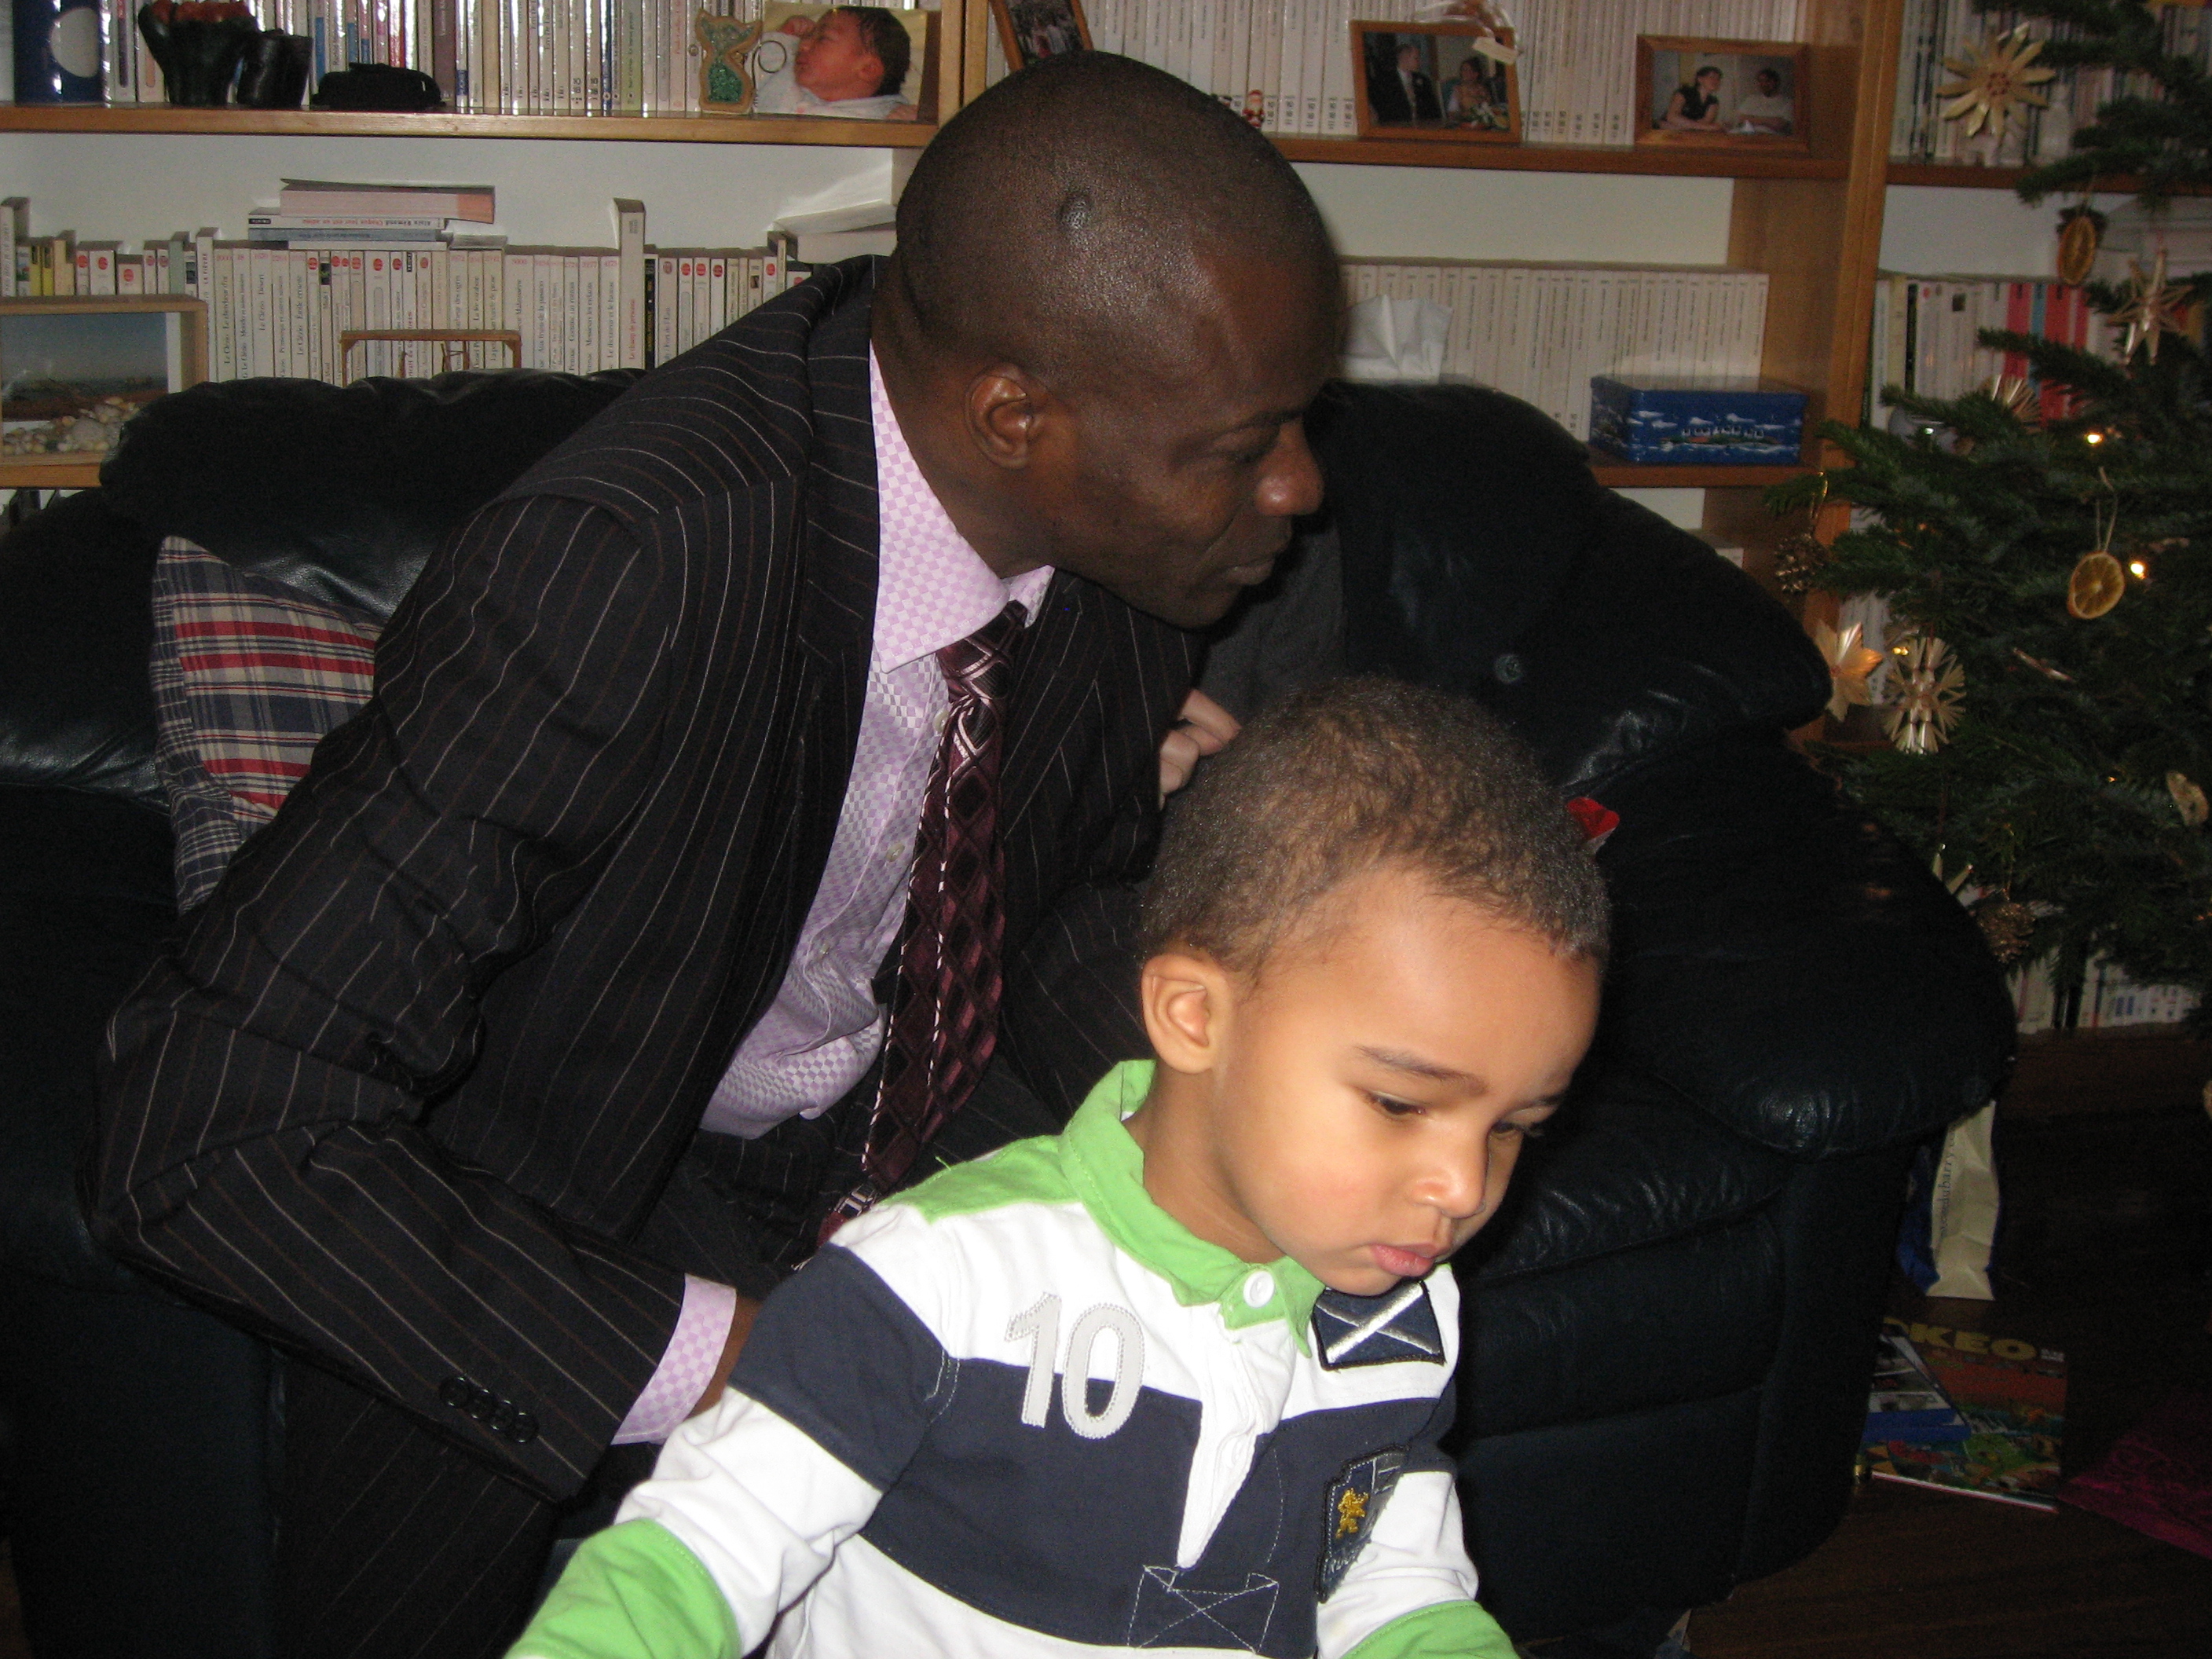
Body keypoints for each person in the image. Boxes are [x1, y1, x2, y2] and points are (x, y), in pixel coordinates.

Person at [90, 51, 1340, 1659]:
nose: (1301, 486)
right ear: (1014, 416)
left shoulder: (1112, 540)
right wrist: (754, 1362)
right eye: (1245, 443)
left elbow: (1065, 895)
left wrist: (1259, 1069)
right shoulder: (624, 571)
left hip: (900, 1135)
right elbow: (199, 1121)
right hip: (571, 1177)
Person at [504, 676, 1609, 1659]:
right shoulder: (939, 1277)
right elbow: (707, 1545)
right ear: (1193, 1016)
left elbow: (1386, 1573)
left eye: (1514, 1126)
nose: (1464, 1188)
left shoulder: (1406, 1313)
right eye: (1401, 1104)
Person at [751, 5, 916, 120]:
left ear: (868, 69)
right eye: (808, 36)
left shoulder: (884, 119)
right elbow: (756, 67)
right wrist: (784, 37)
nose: (803, 45)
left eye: (823, 39)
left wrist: (909, 128)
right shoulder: (784, 78)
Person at [1368, 39, 1443, 126]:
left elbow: (1433, 109)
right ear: (1404, 58)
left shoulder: (1423, 81)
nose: (1420, 62)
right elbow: (1382, 109)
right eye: (1416, 58)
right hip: (1396, 127)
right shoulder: (1385, 81)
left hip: (1423, 127)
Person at [1444, 54, 1503, 129]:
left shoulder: (1483, 90)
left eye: (1467, 70)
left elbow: (1490, 108)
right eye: (1463, 70)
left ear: (1476, 74)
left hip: (1484, 125)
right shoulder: (1458, 90)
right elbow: (1452, 113)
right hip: (1465, 125)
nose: (1464, 73)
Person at [1659, 64, 1724, 130]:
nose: (1716, 81)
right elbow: (1672, 117)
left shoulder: (1713, 101)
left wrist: (1683, 127)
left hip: (1686, 132)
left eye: (1718, 79)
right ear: (1700, 79)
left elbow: (1705, 123)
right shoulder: (1684, 92)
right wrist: (1702, 126)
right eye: (1712, 77)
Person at [1734, 65, 1794, 134]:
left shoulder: (1788, 103)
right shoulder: (1751, 99)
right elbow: (1740, 119)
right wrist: (1769, 120)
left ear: (1776, 82)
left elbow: (1780, 125)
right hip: (1747, 136)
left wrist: (1751, 119)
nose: (1764, 84)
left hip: (1771, 137)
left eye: (1767, 81)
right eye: (1760, 81)